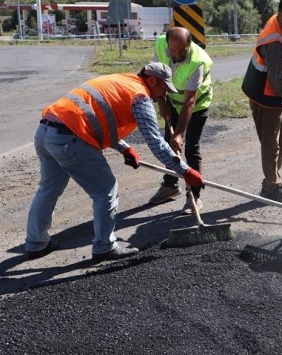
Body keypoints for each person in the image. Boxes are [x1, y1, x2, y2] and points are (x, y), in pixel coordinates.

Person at [25, 62, 205, 261]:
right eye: (163, 88)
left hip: (46, 132)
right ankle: (104, 246)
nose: (162, 95)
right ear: (152, 79)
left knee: (48, 189)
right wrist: (185, 171)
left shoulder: (123, 81)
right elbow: (156, 143)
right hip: (71, 138)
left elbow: (101, 119)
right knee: (105, 190)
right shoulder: (140, 96)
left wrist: (125, 148)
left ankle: (35, 243)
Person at [241, 0, 282, 205]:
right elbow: (277, 82)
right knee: (271, 144)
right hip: (265, 95)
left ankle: (273, 180)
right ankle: (271, 186)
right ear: (280, 14)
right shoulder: (275, 41)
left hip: (280, 92)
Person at [148, 27, 213, 214]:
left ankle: (194, 196)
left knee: (191, 147)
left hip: (197, 104)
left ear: (189, 44)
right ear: (167, 43)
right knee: (169, 145)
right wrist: (162, 103)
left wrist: (179, 134)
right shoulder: (161, 44)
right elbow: (156, 76)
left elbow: (190, 102)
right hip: (172, 100)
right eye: (173, 50)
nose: (176, 55)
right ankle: (170, 186)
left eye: (181, 51)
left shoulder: (198, 61)